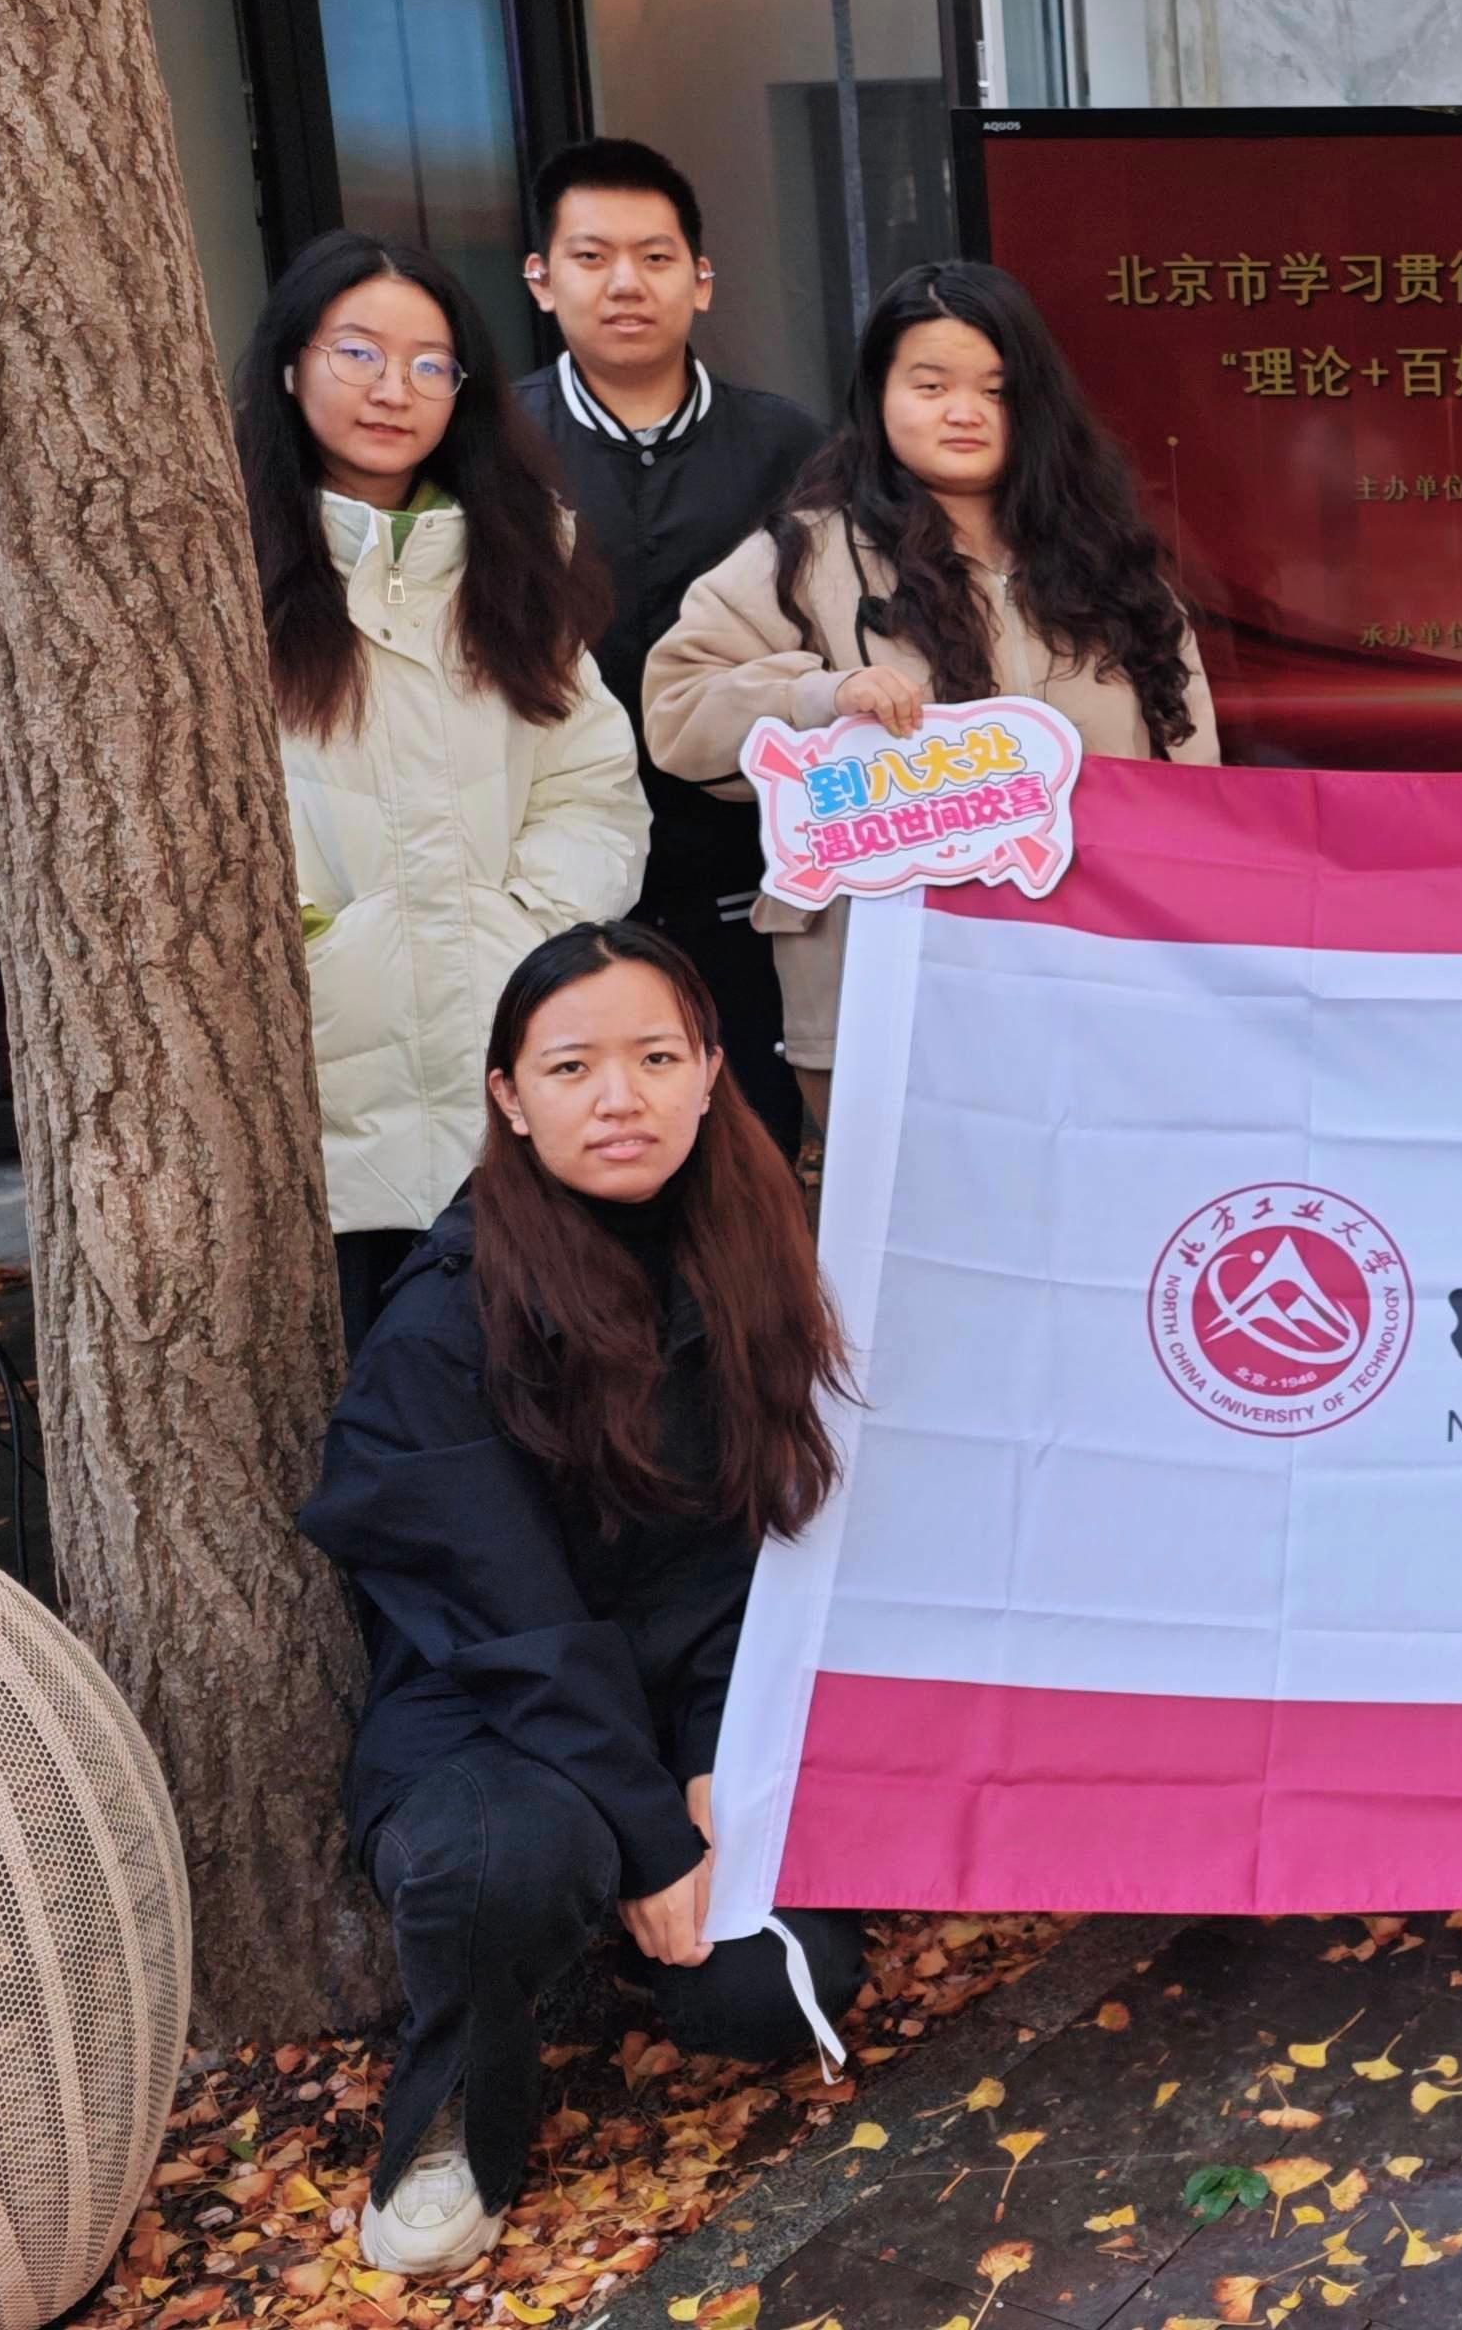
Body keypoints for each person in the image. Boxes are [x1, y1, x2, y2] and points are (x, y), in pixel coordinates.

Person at [303, 921, 867, 2275]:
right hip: (493, 1722)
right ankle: (456, 2119)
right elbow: (512, 1626)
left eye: (657, 1058)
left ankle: (624, 1922)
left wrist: (711, 1759)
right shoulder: (444, 1318)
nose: (621, 1098)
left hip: (677, 1698)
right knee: (514, 1864)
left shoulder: (749, 1255)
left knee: (764, 2001)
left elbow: (756, 1546)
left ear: (711, 1070)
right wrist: (652, 1830)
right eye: (572, 1067)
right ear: (509, 1096)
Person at [645, 261, 1220, 1130]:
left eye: (996, 389)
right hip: (884, 995)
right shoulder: (803, 555)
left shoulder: (1110, 565)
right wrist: (819, 696)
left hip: (1101, 983)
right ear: (878, 393)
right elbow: (678, 711)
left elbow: (1193, 776)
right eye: (931, 384)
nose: (965, 411)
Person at [238, 232, 649, 1355]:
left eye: (430, 365)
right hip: (322, 1060)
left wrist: (523, 928)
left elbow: (591, 787)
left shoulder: (515, 556)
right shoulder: (221, 565)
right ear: (291, 364)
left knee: (527, 1376)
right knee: (351, 1383)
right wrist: (315, 941)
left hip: (501, 1044)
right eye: (359, 352)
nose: (394, 389)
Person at [519, 138, 829, 1153]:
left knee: (749, 1142)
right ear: (542, 278)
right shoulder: (493, 446)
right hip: (551, 865)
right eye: (591, 256)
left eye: (654, 258)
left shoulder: (789, 446)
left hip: (748, 861)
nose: (625, 284)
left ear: (700, 280)